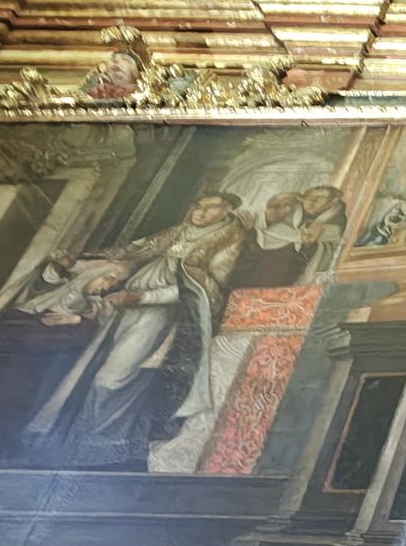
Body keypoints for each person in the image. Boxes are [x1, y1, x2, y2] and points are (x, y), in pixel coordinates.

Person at [22, 190, 253, 470]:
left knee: (110, 380)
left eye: (211, 208)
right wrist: (77, 265)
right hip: (124, 308)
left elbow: (205, 289)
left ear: (227, 210)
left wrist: (143, 297)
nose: (201, 212)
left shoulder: (229, 240)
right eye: (199, 206)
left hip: (160, 314)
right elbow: (128, 254)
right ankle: (72, 446)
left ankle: (100, 450)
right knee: (85, 372)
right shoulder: (178, 231)